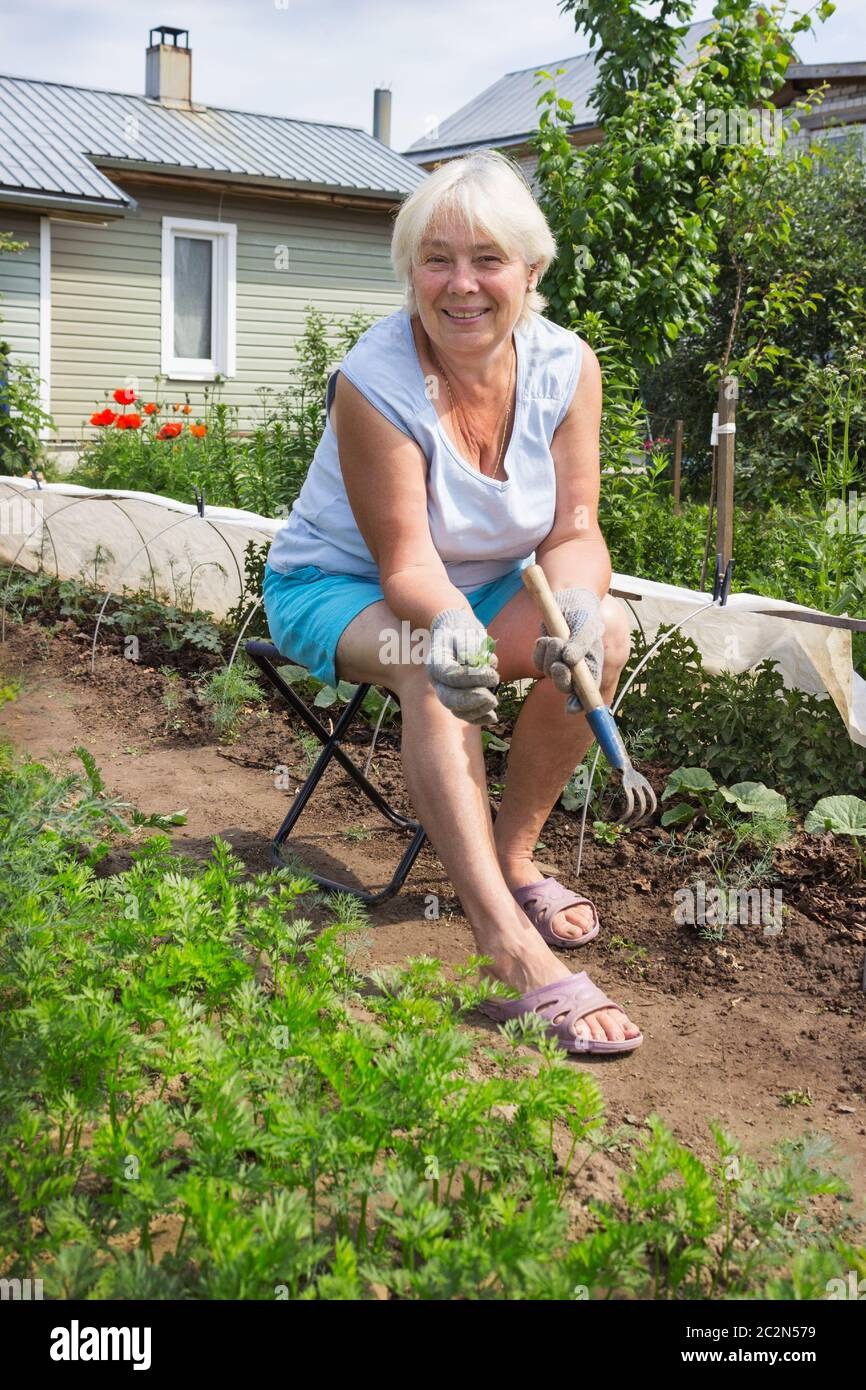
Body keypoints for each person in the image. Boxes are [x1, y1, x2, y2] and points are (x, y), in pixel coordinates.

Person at [263, 150, 642, 1055]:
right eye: (437, 259)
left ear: (531, 271)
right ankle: (504, 943)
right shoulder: (375, 380)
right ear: (410, 271)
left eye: (488, 259)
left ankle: (513, 860)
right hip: (342, 586)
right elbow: (404, 564)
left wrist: (578, 605)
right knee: (436, 669)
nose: (461, 284)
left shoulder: (565, 367)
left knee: (610, 631)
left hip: (482, 580)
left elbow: (577, 529)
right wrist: (454, 628)